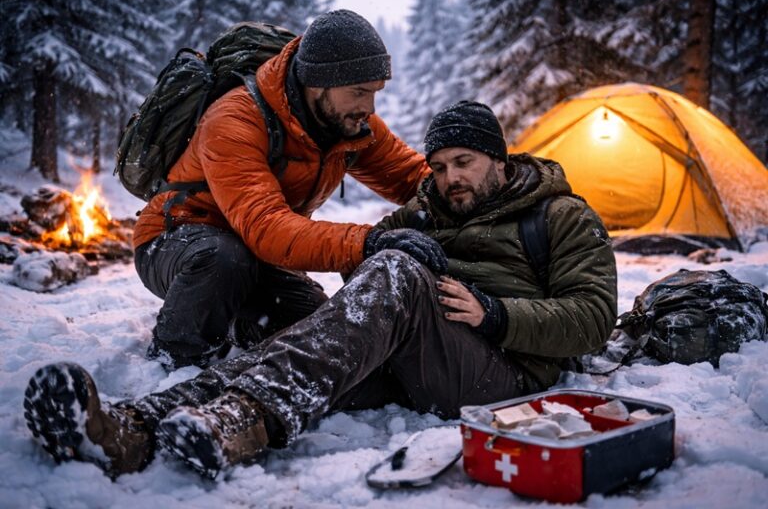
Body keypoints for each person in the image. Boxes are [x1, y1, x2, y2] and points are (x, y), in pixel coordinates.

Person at [24, 101, 618, 480]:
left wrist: (495, 315)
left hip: (498, 375)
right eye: (438, 167)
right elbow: (366, 284)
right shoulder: (425, 211)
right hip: (415, 359)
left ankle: (245, 418)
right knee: (306, 342)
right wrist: (379, 264)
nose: (450, 179)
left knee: (394, 271)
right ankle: (132, 428)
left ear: (498, 159)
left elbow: (594, 317)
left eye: (464, 162)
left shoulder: (558, 215)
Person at [133, 9, 432, 370]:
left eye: (375, 92)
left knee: (315, 325)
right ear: (318, 84)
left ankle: (242, 325)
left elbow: (411, 177)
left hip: (258, 255)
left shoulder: (349, 121)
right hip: (176, 239)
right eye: (358, 92)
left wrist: (476, 190)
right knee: (224, 259)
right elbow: (267, 227)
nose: (368, 107)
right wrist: (367, 243)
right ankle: (175, 356)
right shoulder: (234, 119)